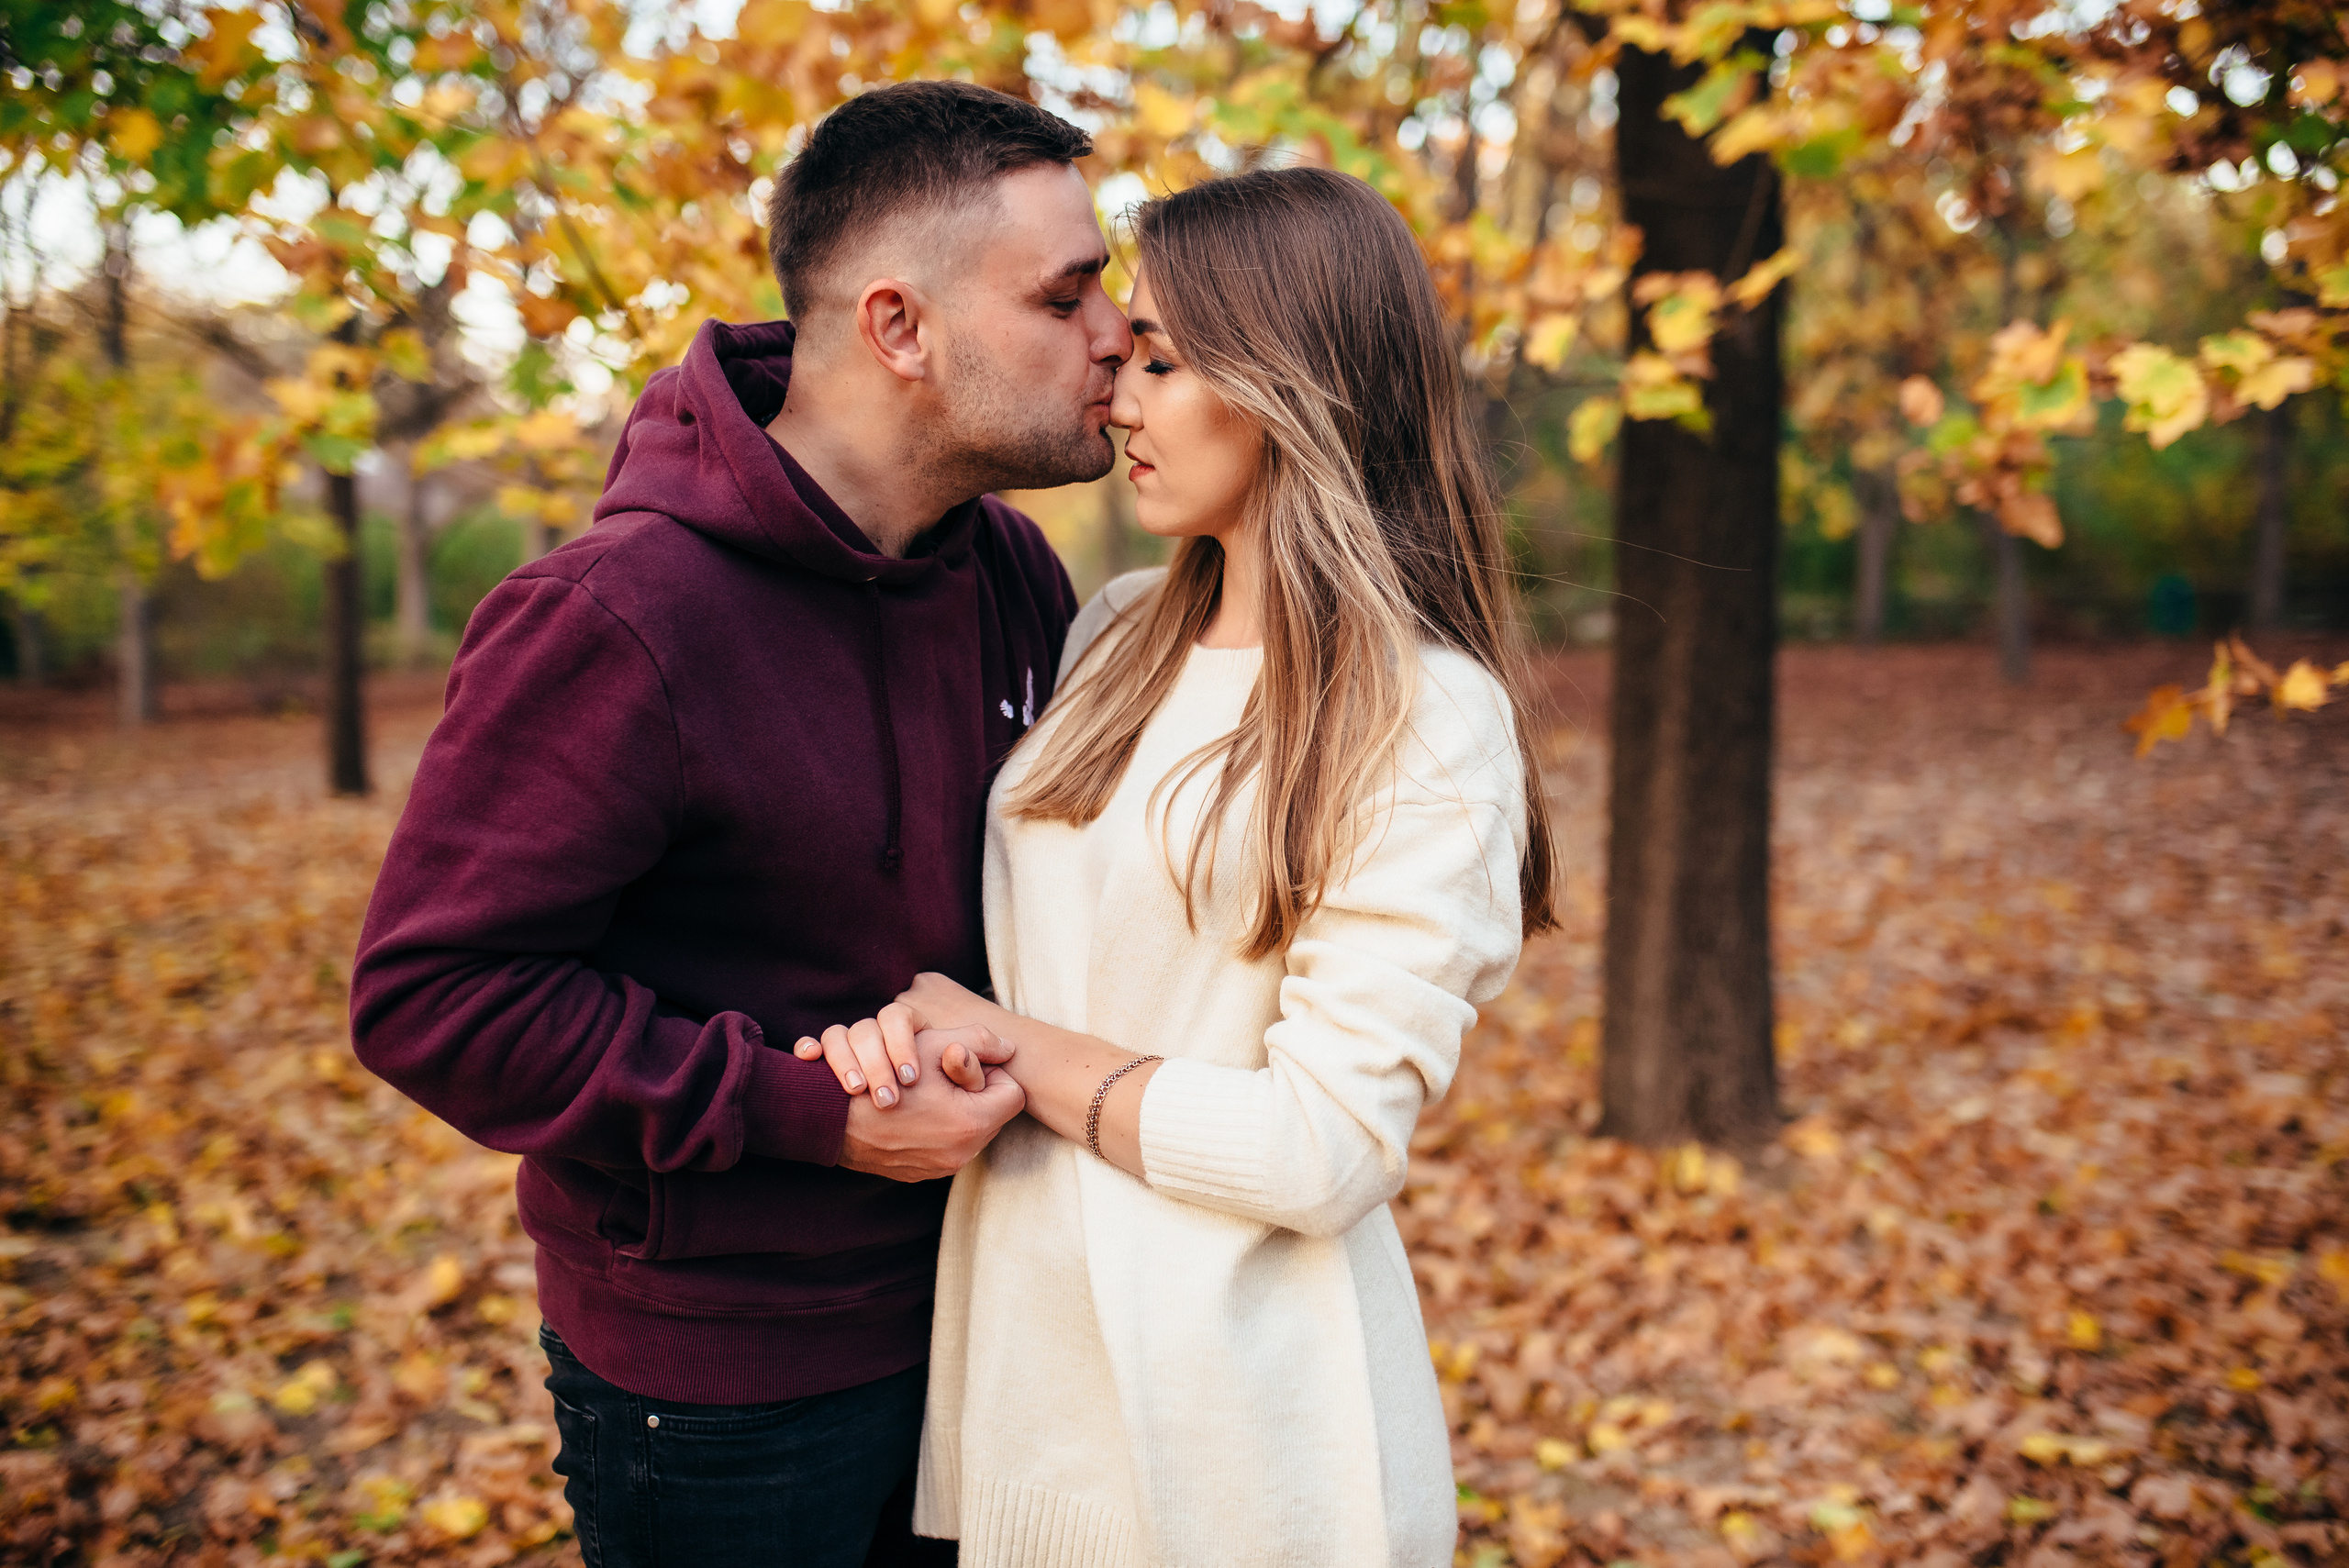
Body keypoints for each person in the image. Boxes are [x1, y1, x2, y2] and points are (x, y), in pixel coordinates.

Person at [348, 81, 1131, 1566]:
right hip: (727, 1383)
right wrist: (811, 1112)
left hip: (999, 1317)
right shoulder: (617, 620)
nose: (1116, 334)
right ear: (899, 327)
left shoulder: (1013, 571)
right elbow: (431, 996)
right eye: (1067, 292)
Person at [802, 165, 1561, 1568]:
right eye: (1123, 353)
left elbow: (1322, 1146)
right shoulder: (1114, 634)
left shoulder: (1423, 713)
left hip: (1244, 1435)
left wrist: (1015, 1047)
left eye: (1159, 357)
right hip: (1024, 1398)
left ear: (1291, 384)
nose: (1119, 397)